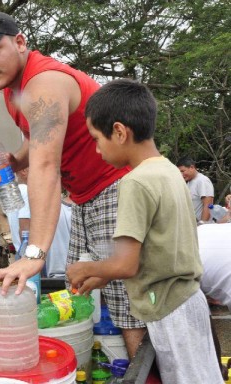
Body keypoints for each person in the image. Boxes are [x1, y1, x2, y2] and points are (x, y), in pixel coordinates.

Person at [0, 11, 145, 357]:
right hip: (85, 197)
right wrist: (14, 161)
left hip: (117, 187)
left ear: (20, 42)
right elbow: (38, 145)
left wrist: (33, 253)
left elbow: (45, 165)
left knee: (127, 302)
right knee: (79, 288)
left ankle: (146, 375)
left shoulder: (44, 83)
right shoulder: (14, 91)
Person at [66, 78, 223, 384]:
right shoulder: (167, 170)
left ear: (120, 132)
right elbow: (155, 250)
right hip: (188, 300)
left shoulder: (134, 182)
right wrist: (102, 275)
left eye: (97, 139)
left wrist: (85, 267)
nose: (97, 150)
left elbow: (127, 263)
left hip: (168, 308)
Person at [176, 157, 215, 224]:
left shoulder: (202, 181)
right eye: (179, 172)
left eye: (183, 171)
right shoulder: (189, 182)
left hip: (201, 228)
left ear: (192, 167)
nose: (181, 174)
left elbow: (208, 205)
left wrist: (202, 225)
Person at [7, 168, 30, 251]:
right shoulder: (26, 191)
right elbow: (25, 230)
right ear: (24, 170)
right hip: (29, 254)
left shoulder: (15, 191)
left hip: (20, 251)